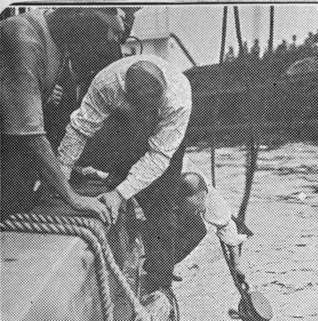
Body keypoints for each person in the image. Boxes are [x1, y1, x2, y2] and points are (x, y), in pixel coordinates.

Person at [57, 55, 246, 293]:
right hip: (121, 124)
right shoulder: (107, 85)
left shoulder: (177, 102)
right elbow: (79, 129)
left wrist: (120, 194)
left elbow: (159, 159)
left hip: (164, 146)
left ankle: (158, 280)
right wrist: (60, 178)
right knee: (90, 156)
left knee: (161, 206)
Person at [0, 7, 124, 223]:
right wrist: (73, 198)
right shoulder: (23, 38)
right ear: (81, 30)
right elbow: (29, 133)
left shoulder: (59, 42)